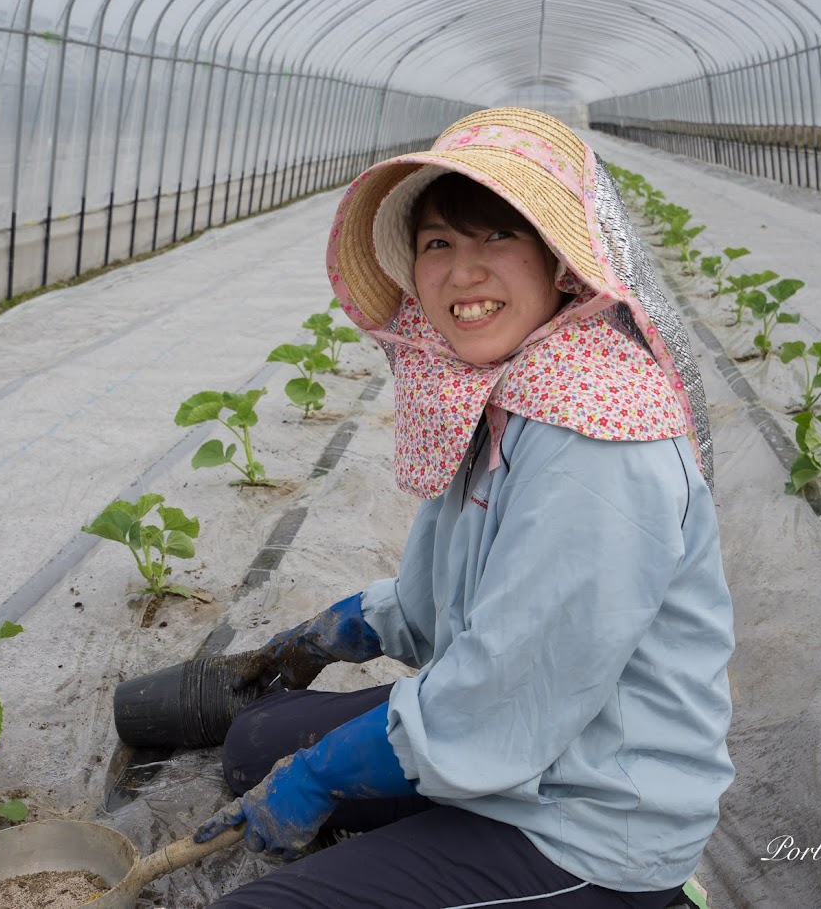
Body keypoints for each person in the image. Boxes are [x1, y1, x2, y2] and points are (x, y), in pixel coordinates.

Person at [194, 107, 735, 908]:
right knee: (253, 747)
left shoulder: (595, 439)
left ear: (560, 264)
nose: (462, 272)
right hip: (522, 740)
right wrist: (344, 625)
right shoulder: (505, 390)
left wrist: (324, 774)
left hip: (587, 809)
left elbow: (508, 690)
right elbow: (442, 599)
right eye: (438, 243)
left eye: (496, 238)